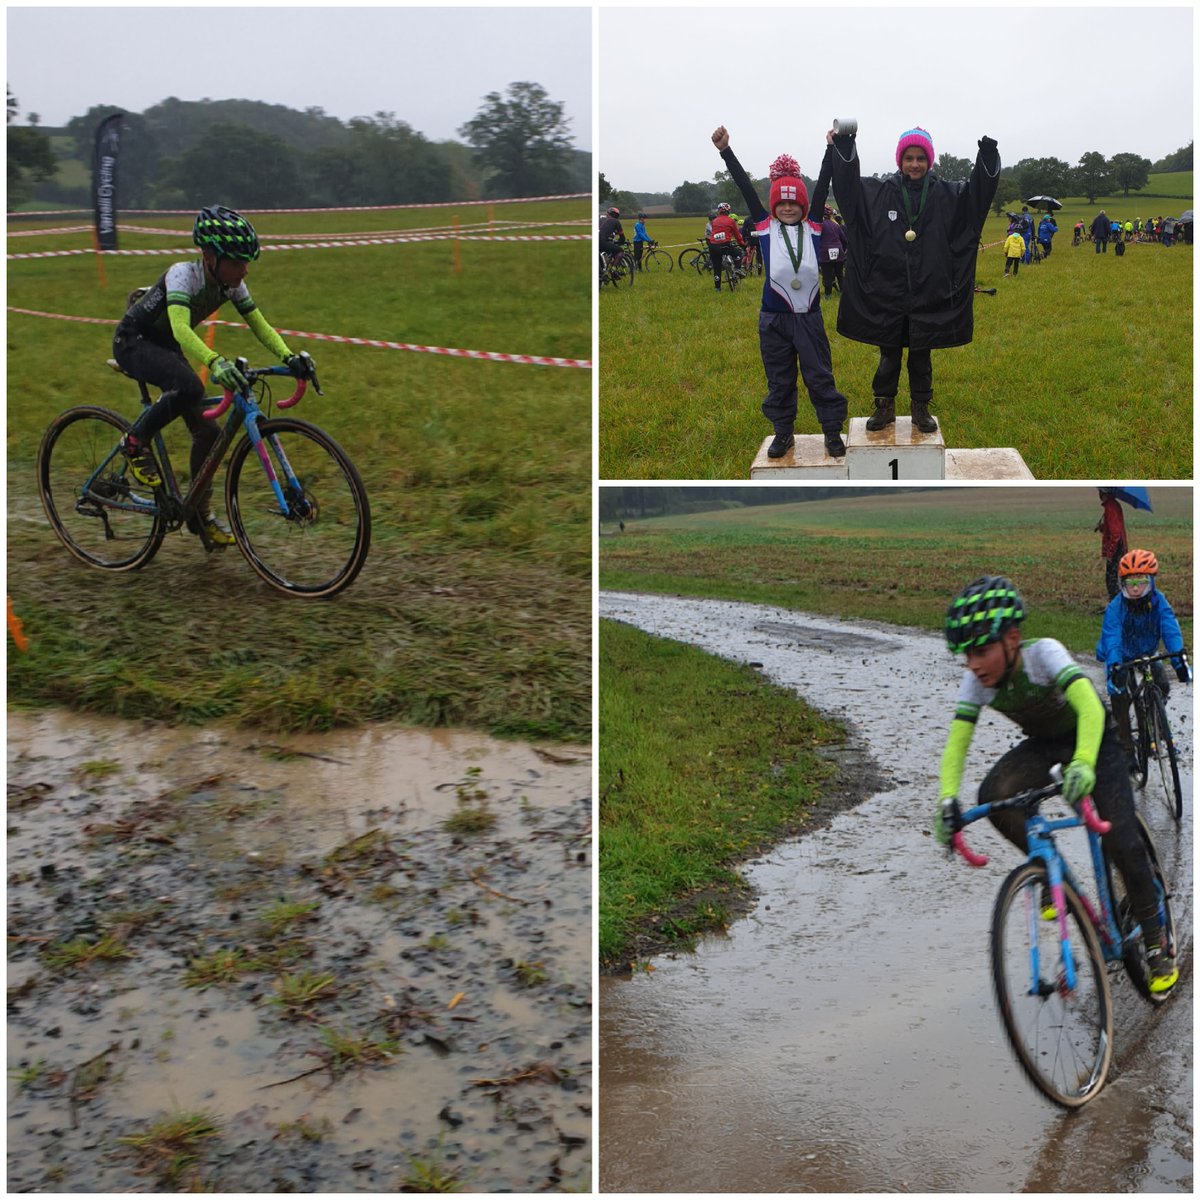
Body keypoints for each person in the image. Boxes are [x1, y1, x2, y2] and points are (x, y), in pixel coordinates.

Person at [936, 575, 1178, 994]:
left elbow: (1088, 704)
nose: (972, 664)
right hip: (1044, 746)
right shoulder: (976, 681)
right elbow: (957, 743)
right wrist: (947, 800)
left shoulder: (1043, 654)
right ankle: (1050, 875)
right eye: (964, 656)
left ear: (1012, 638)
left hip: (1094, 739)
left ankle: (1155, 935)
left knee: (1119, 839)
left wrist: (1084, 762)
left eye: (980, 651)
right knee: (993, 796)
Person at [113, 205, 313, 546]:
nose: (244, 270)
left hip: (167, 347)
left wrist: (289, 357)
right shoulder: (182, 275)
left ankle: (198, 515)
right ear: (209, 256)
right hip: (135, 341)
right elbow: (179, 328)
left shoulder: (230, 284)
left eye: (246, 262)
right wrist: (215, 361)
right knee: (189, 386)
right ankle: (133, 443)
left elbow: (259, 325)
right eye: (237, 262)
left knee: (207, 433)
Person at [827, 123, 1000, 434]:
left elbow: (976, 198)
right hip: (888, 291)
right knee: (888, 354)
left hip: (928, 291)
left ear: (929, 160)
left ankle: (920, 407)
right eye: (909, 157)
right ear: (900, 160)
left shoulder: (948, 194)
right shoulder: (880, 193)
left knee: (922, 353)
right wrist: (843, 148)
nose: (915, 164)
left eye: (921, 157)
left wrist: (986, 158)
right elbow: (849, 189)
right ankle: (884, 407)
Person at [712, 125, 849, 458]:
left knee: (819, 376)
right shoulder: (763, 226)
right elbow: (745, 187)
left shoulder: (814, 225)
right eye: (782, 204)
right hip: (773, 319)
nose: (788, 209)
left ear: (803, 205)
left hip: (808, 317)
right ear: (774, 206)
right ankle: (783, 433)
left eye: (794, 203)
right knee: (780, 378)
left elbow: (822, 185)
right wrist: (725, 151)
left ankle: (831, 431)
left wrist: (830, 149)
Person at [1096, 548, 1191, 766]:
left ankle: (1155, 731)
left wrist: (1179, 663)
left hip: (1148, 650)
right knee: (1120, 697)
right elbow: (1112, 639)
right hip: (1122, 655)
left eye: (1141, 582)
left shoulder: (1159, 602)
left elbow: (1170, 629)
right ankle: (1127, 749)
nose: (1136, 588)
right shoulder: (1115, 608)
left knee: (1162, 685)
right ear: (1123, 585)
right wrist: (1115, 669)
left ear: (1151, 581)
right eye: (1130, 583)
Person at [1094, 487, 1127, 600]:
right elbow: (1112, 527)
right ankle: (1116, 604)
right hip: (1118, 545)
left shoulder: (1110, 507)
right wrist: (1103, 527)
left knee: (1111, 580)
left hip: (1116, 547)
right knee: (1113, 578)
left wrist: (1110, 552)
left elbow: (1115, 533)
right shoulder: (1112, 505)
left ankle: (1116, 605)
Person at [706, 201, 745, 292]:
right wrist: (743, 244)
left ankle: (717, 288)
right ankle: (738, 269)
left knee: (717, 268)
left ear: (719, 211)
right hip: (725, 245)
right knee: (738, 253)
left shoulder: (714, 221)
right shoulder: (731, 221)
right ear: (729, 211)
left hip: (713, 246)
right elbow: (737, 236)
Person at [819, 205, 847, 298]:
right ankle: (843, 292)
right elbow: (843, 239)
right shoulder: (836, 224)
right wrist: (843, 250)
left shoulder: (820, 225)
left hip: (825, 253)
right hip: (839, 251)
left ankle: (828, 294)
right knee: (840, 274)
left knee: (827, 274)